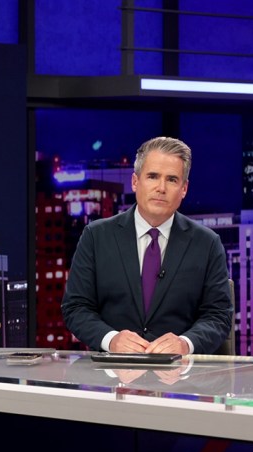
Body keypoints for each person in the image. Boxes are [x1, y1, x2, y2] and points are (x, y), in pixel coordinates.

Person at [60, 136, 232, 355]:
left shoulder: (207, 243)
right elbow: (75, 308)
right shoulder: (96, 236)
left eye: (172, 179)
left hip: (182, 379)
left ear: (184, 189)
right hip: (110, 378)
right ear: (135, 182)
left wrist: (185, 344)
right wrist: (111, 340)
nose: (161, 188)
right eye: (152, 176)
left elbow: (218, 315)